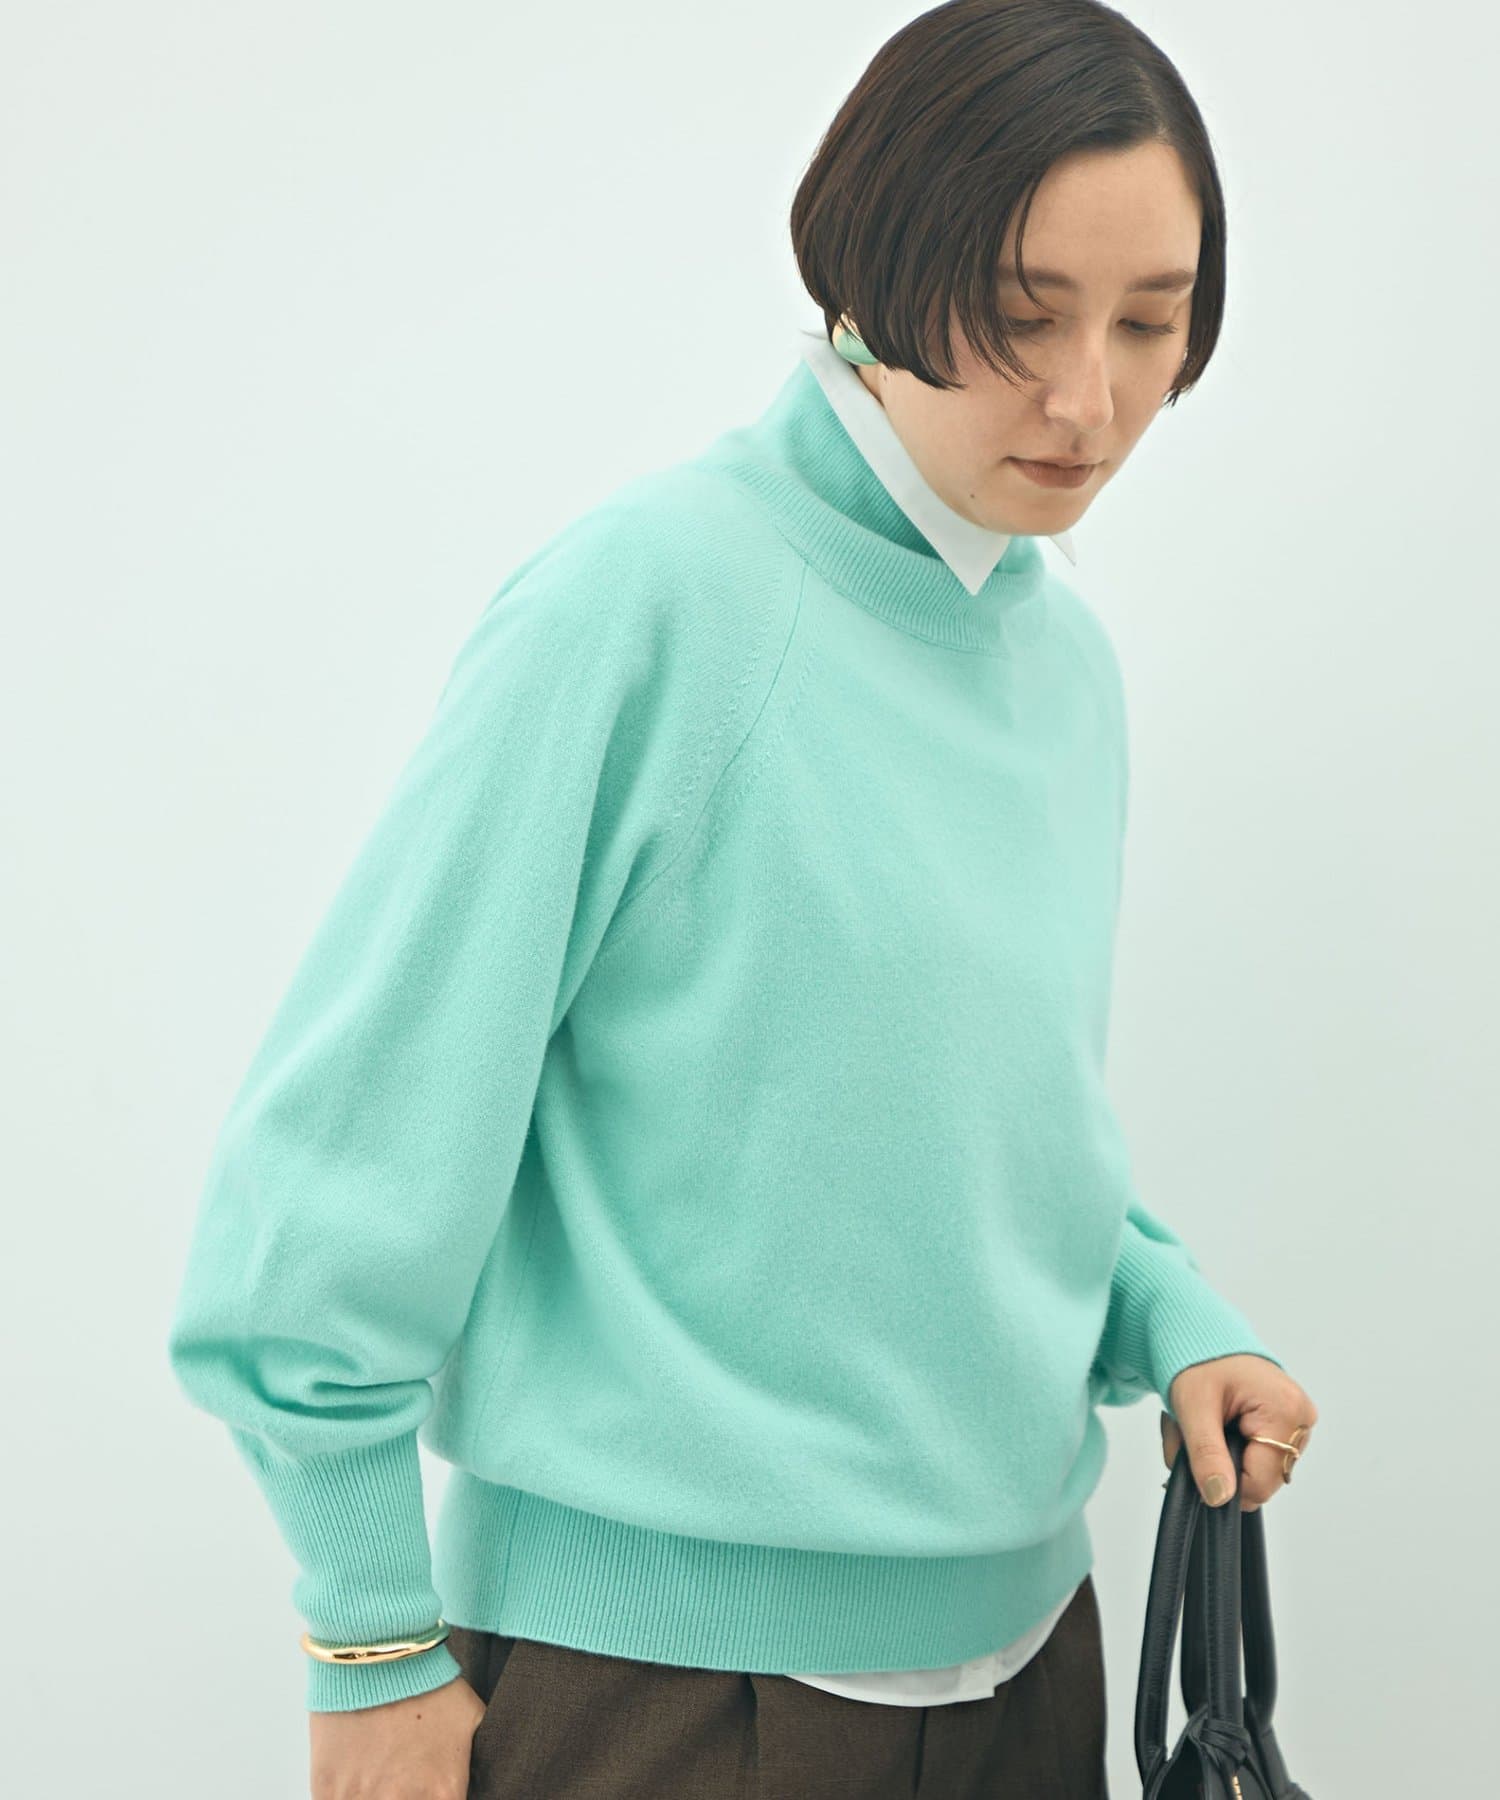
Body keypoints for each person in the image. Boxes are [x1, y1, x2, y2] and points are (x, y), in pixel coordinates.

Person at [165, 1, 1320, 1795]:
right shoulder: (646, 608)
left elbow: (967, 1128)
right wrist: (369, 1630)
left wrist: (1171, 1317)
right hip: (670, 1690)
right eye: (1021, 316)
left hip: (1038, 1665)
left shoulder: (1061, 664)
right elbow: (339, 1160)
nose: (1089, 399)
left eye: (1149, 322)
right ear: (871, 267)